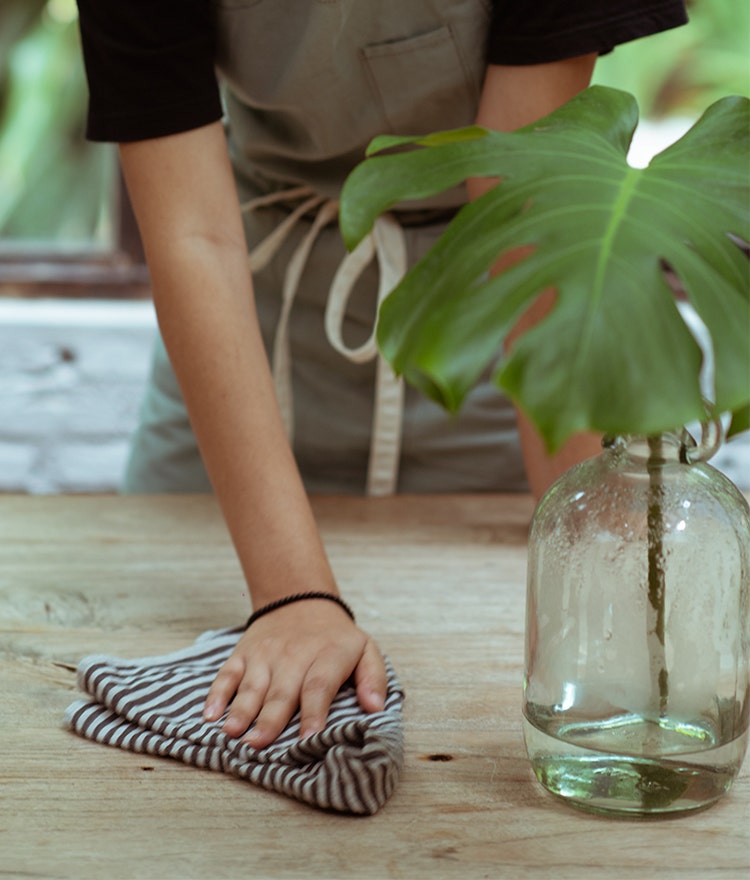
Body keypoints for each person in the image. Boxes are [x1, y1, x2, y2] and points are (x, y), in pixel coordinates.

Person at [74, 0, 688, 749]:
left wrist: (598, 564)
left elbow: (520, 208)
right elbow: (194, 237)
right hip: (248, 349)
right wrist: (292, 598)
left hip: (483, 355)